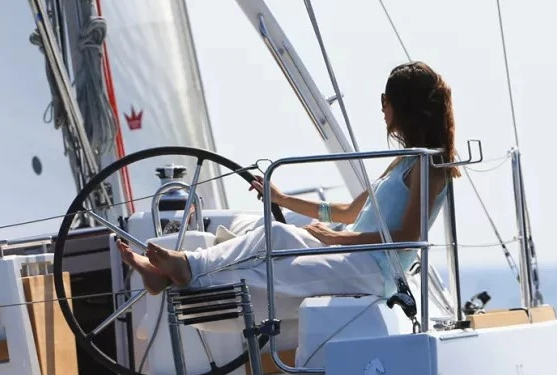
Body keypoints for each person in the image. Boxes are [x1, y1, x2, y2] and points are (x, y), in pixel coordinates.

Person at [120, 61, 460, 318]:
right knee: (276, 234)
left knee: (275, 269)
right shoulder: (405, 160)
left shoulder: (429, 166)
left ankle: (174, 275)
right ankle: (183, 265)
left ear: (404, 106)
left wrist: (338, 240)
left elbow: (409, 236)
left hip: (375, 272)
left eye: (385, 100)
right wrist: (283, 199)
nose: (382, 108)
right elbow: (348, 212)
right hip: (353, 255)